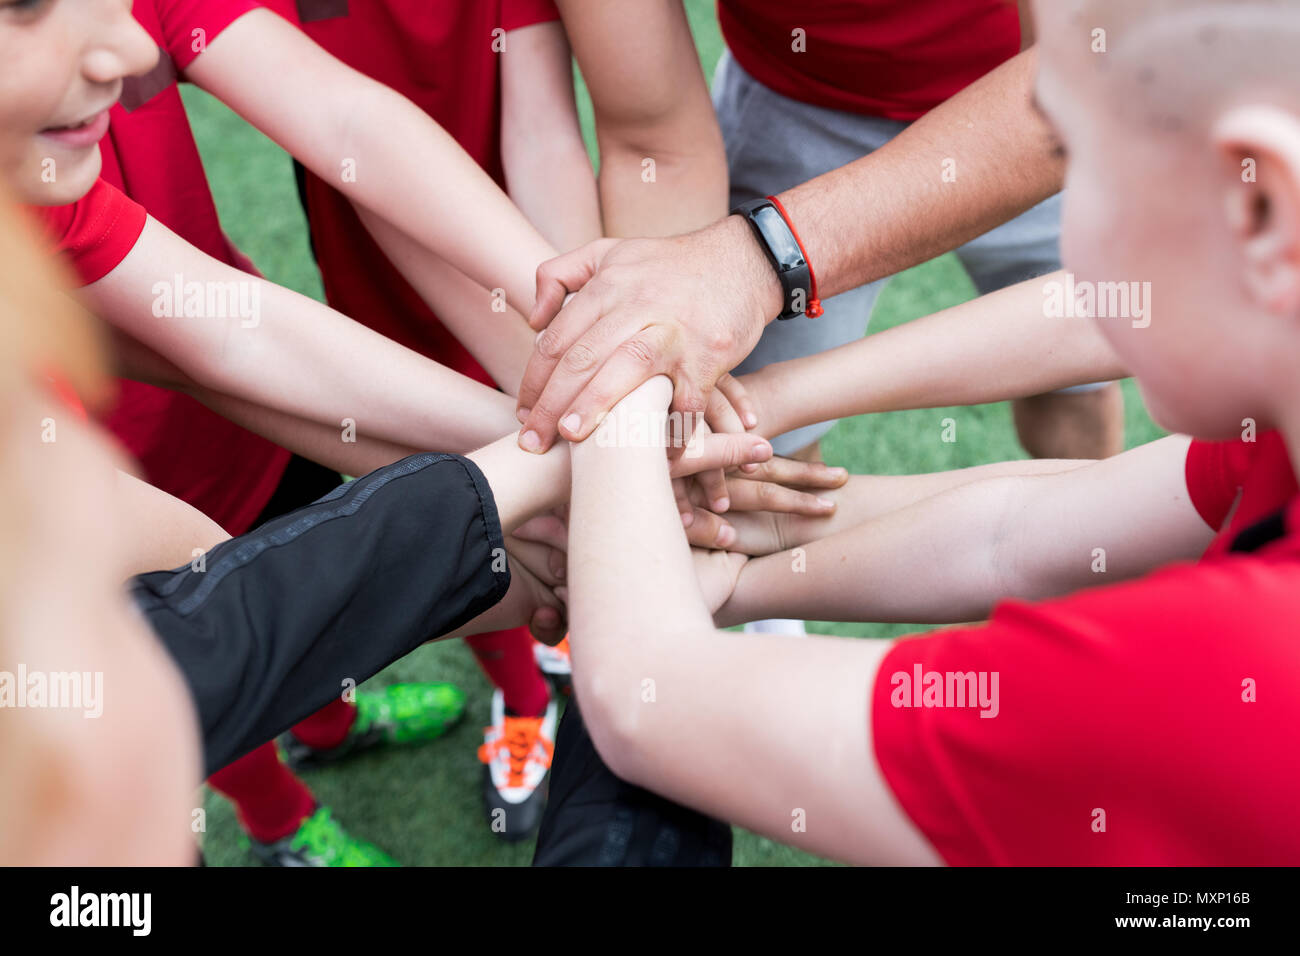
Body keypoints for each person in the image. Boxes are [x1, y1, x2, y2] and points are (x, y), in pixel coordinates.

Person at [543, 0, 1300, 865]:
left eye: (1080, 165)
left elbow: (652, 703)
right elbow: (1011, 533)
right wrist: (737, 550)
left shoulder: (1215, 665)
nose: (1064, 247)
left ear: (1262, 204)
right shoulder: (1271, 447)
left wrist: (616, 413)